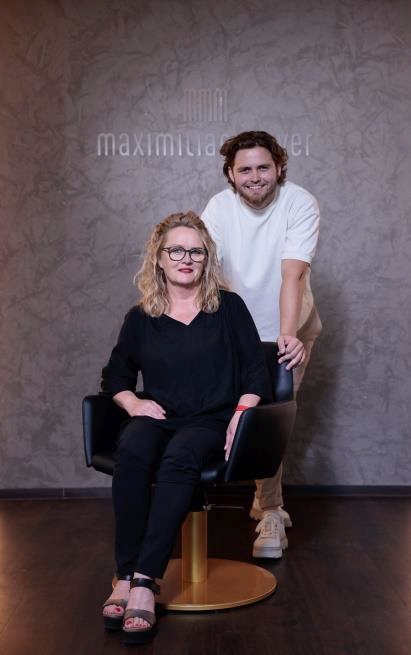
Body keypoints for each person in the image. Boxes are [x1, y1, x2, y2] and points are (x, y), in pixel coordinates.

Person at [100, 211, 272, 644]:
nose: (186, 259)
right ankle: (123, 574)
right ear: (158, 258)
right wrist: (134, 403)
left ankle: (145, 580)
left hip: (212, 421)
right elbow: (115, 377)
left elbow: (256, 369)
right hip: (160, 417)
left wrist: (241, 413)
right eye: (175, 250)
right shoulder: (141, 317)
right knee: (132, 447)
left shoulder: (228, 308)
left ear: (206, 258)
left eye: (196, 251)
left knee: (180, 456)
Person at [202, 131, 322, 559]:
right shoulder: (219, 208)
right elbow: (206, 273)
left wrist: (286, 336)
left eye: (263, 167)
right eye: (245, 169)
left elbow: (293, 274)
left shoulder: (299, 202)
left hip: (290, 324)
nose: (255, 177)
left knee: (272, 414)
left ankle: (270, 509)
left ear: (279, 168)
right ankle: (264, 498)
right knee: (242, 410)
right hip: (238, 328)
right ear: (231, 175)